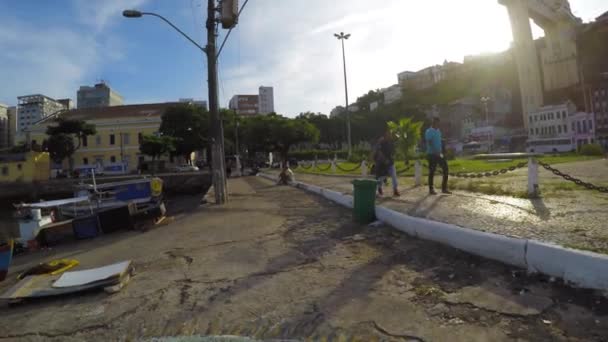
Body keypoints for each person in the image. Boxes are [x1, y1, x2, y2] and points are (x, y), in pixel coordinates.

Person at [425, 117, 451, 195]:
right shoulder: (429, 131)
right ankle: (431, 189)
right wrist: (435, 150)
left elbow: (439, 141)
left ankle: (444, 188)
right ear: (433, 123)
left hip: (439, 154)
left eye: (438, 123)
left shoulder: (438, 131)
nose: (438, 124)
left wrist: (443, 150)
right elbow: (429, 142)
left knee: (445, 168)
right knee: (432, 171)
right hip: (431, 154)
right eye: (436, 123)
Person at [376, 130, 400, 196]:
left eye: (390, 134)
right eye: (388, 134)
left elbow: (393, 152)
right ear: (385, 135)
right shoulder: (382, 142)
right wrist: (384, 160)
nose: (390, 135)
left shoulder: (391, 142)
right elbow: (380, 152)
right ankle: (379, 187)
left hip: (390, 162)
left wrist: (393, 156)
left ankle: (395, 190)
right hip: (383, 163)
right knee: (382, 177)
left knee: (394, 176)